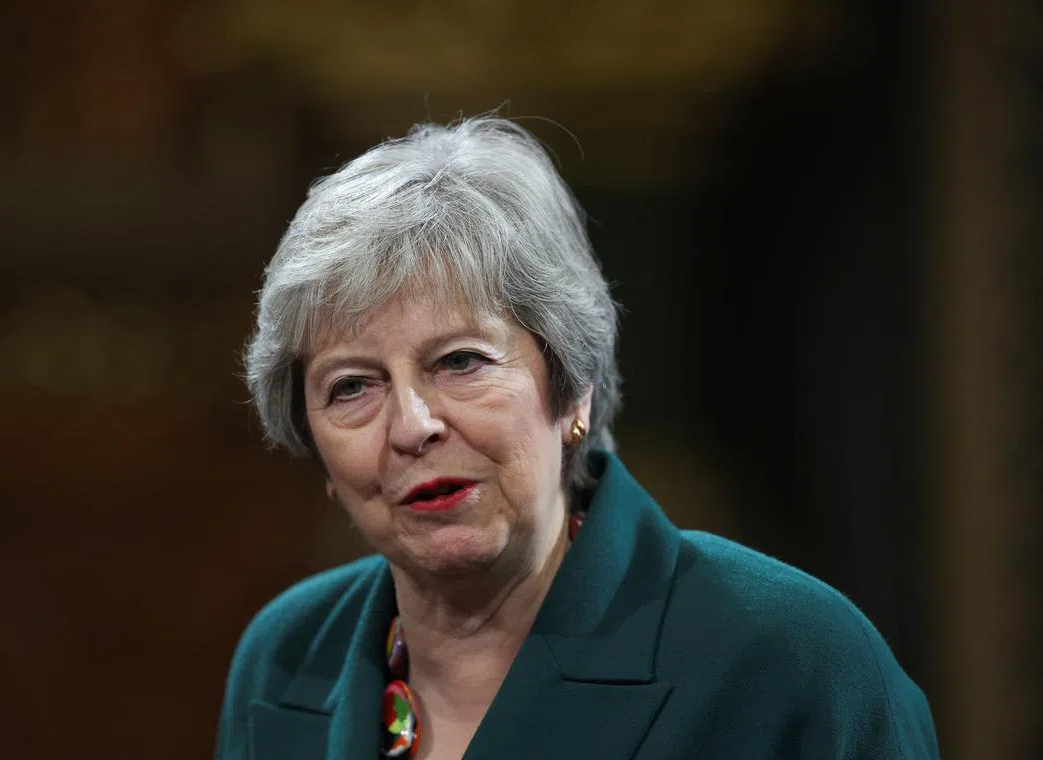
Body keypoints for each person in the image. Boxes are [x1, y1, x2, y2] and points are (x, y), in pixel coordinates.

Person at [215, 117, 940, 760]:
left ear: (573, 388)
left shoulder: (793, 661)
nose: (411, 427)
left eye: (459, 362)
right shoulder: (284, 659)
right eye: (351, 387)